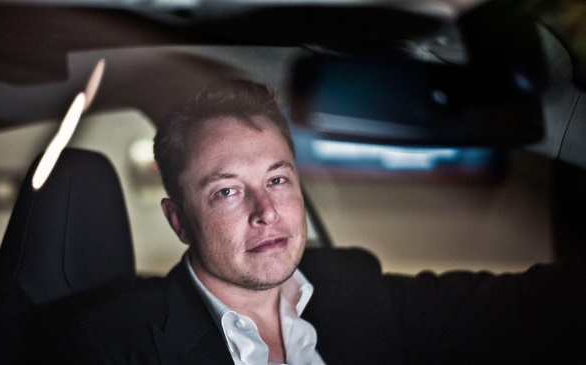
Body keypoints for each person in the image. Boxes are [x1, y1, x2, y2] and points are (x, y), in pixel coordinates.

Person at [66, 79, 586, 364]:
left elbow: (519, 312)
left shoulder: (353, 287)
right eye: (227, 191)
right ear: (178, 220)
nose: (265, 211)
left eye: (277, 179)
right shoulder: (113, 345)